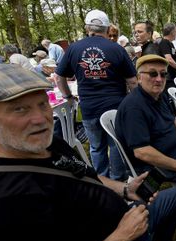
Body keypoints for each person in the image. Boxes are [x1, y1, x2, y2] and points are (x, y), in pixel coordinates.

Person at [0, 63, 176, 241]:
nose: (41, 119)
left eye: (43, 104)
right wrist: (122, 237)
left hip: (129, 222)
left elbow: (82, 175)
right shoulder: (2, 204)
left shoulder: (46, 144)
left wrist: (125, 189)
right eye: (20, 109)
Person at [55, 9, 137, 180]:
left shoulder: (73, 48)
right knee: (116, 145)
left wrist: (68, 96)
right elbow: (133, 82)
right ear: (107, 29)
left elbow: (58, 77)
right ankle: (118, 181)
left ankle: (102, 181)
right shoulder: (117, 48)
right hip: (115, 107)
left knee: (96, 147)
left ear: (87, 28)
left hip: (89, 107)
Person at [115, 55, 176, 188]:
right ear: (139, 78)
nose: (159, 79)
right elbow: (141, 152)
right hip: (160, 169)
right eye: (152, 74)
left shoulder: (158, 95)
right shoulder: (133, 108)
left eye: (163, 74)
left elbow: (173, 121)